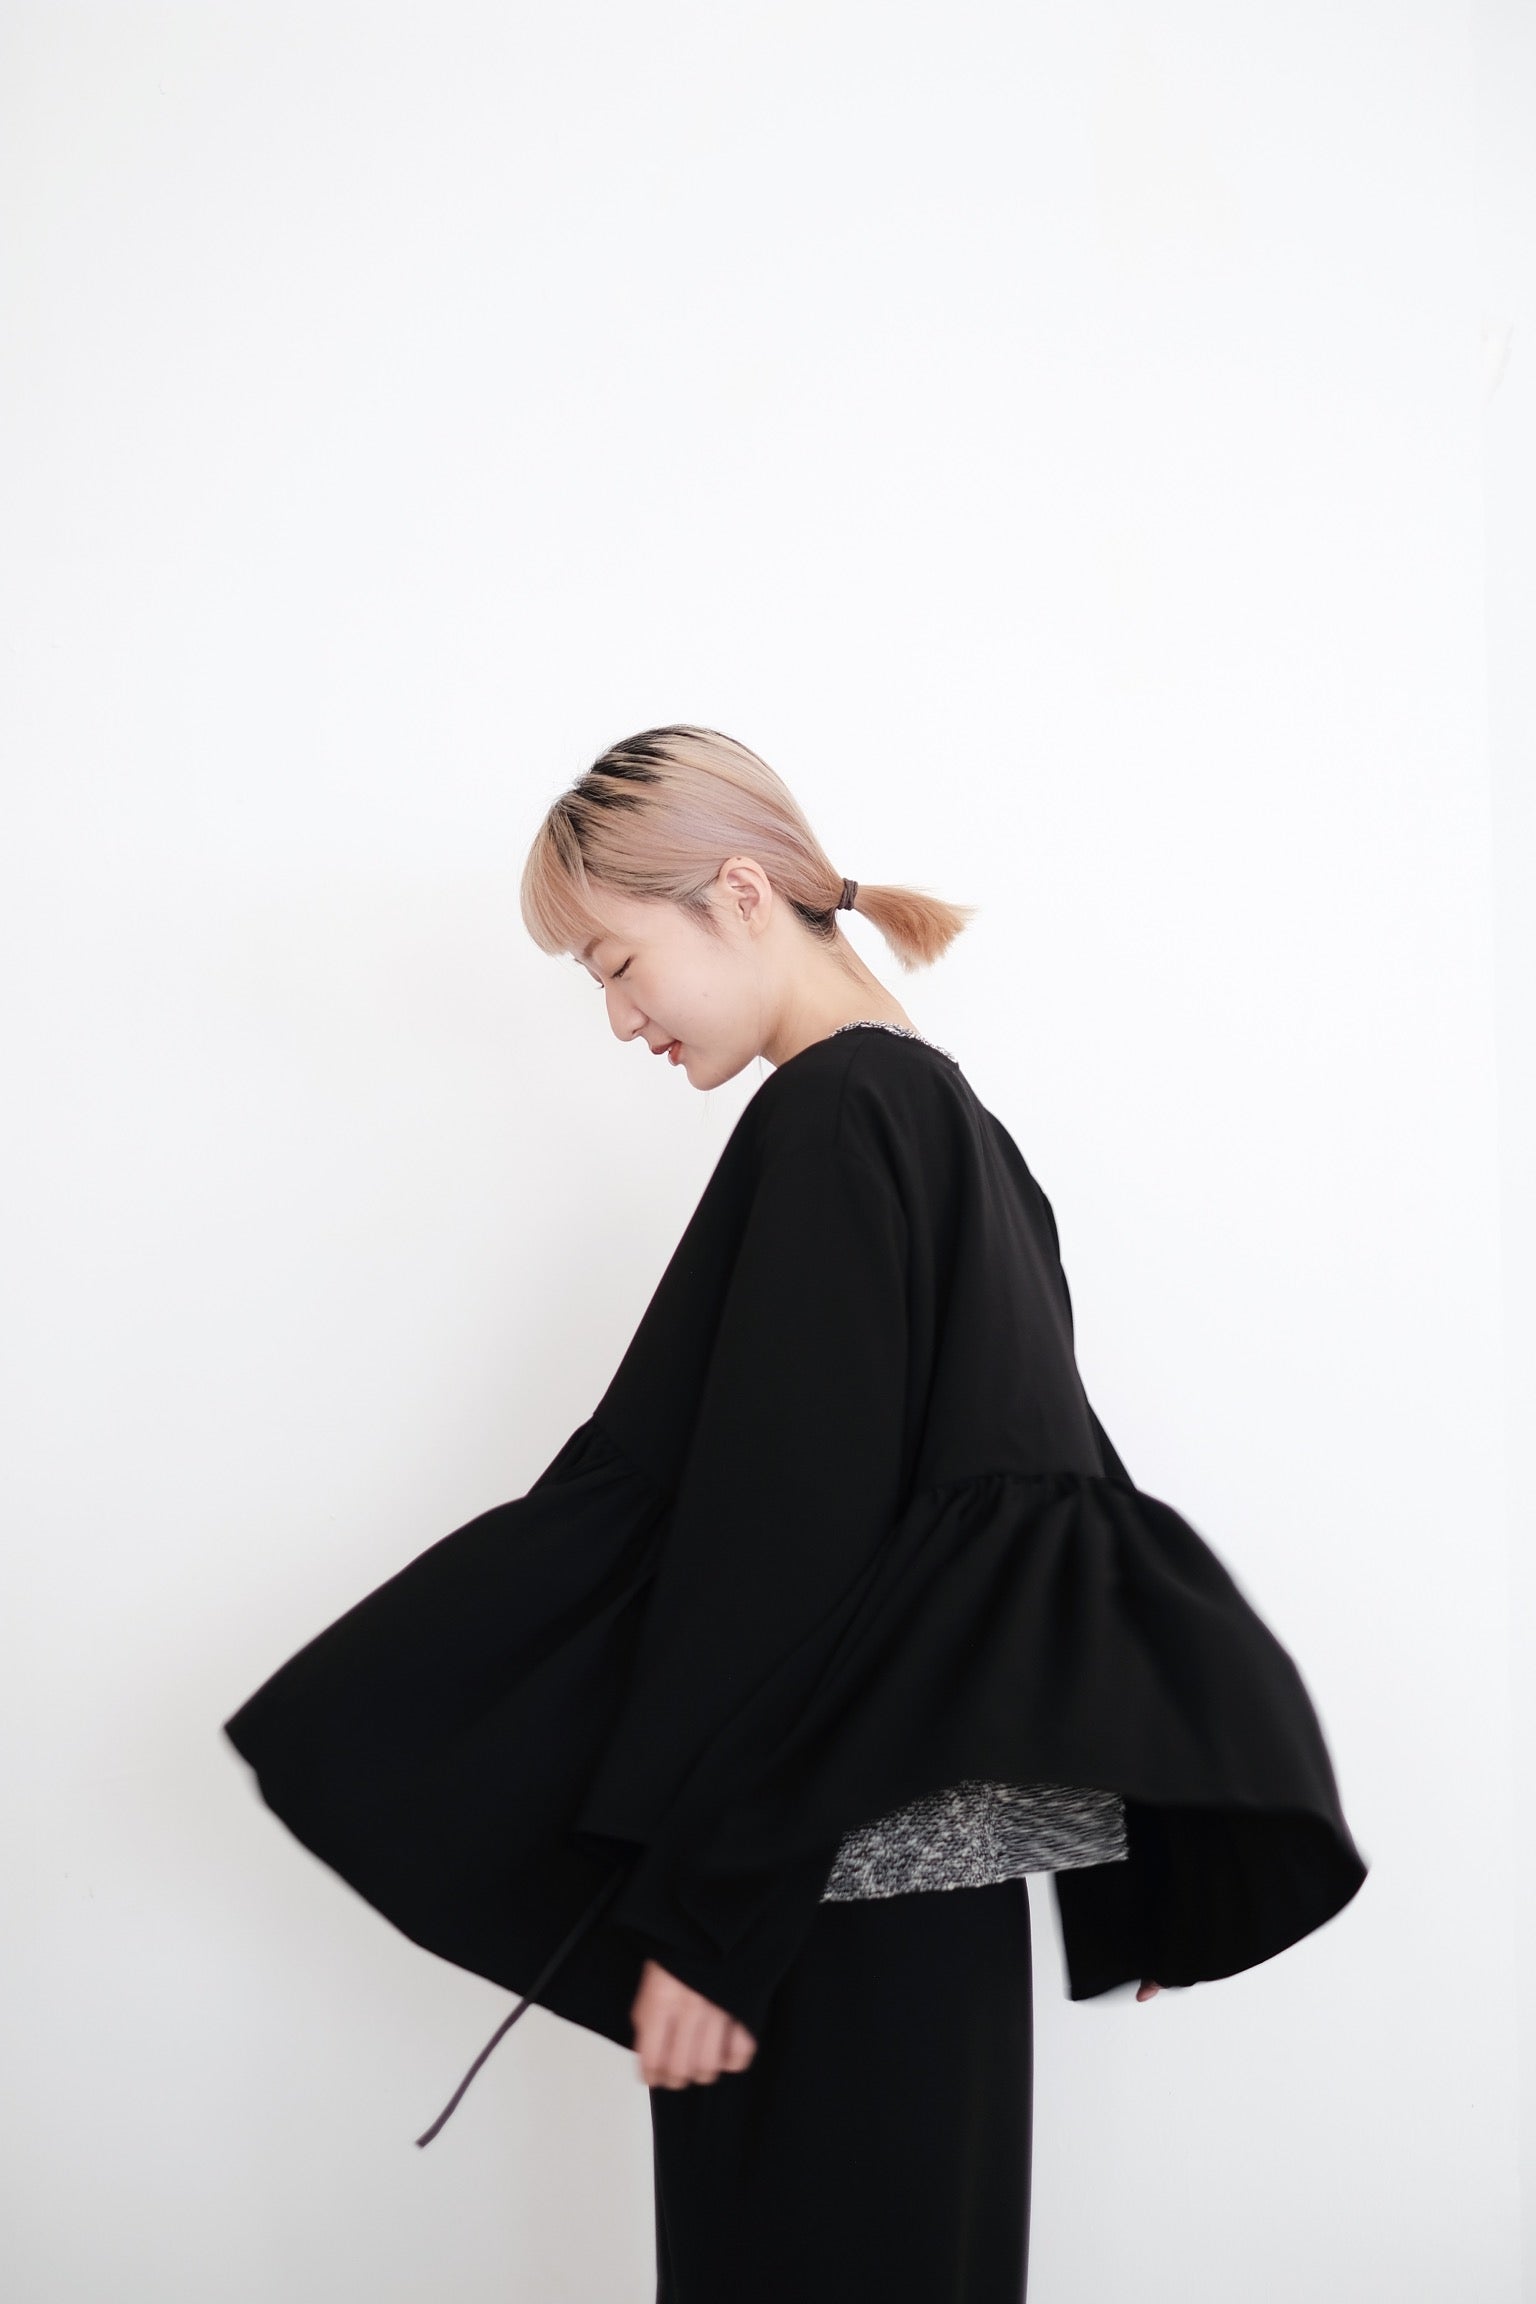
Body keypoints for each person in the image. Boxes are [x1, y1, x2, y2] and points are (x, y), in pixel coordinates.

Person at [224, 724, 1368, 2303]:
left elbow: (780, 1550)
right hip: (933, 1913)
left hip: (812, 1915)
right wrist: (1161, 1854)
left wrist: (713, 1916)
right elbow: (1036, 1498)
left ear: (742, 893)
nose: (619, 1017)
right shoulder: (953, 1125)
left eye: (619, 963)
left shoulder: (835, 1119)